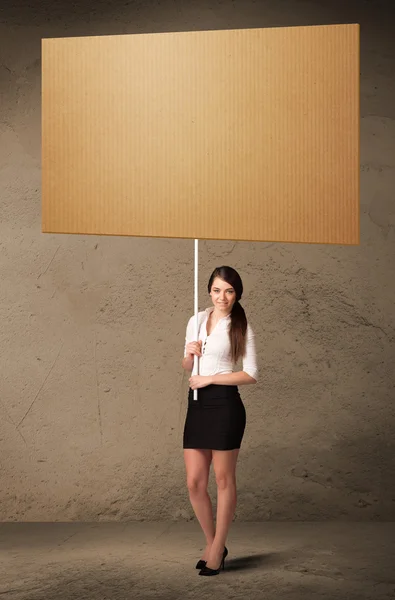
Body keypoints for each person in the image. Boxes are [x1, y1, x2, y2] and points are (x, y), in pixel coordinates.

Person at [181, 266, 258, 576]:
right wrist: (189, 353)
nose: (222, 297)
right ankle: (214, 543)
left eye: (229, 291)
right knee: (194, 482)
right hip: (197, 405)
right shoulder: (196, 320)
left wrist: (210, 378)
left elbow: (251, 374)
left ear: (236, 293)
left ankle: (216, 549)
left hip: (225, 406)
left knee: (224, 480)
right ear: (209, 291)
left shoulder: (241, 326)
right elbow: (188, 367)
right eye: (216, 290)